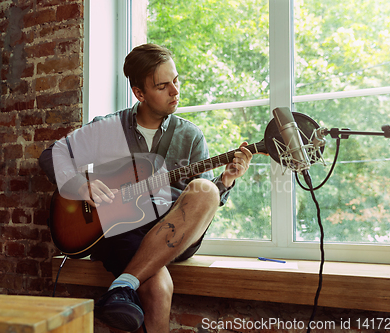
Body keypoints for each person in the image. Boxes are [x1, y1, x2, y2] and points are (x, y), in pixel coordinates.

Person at [39, 44, 253, 332]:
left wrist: (225, 181)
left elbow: (198, 205)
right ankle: (124, 287)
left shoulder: (190, 136)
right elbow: (51, 154)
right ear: (140, 93)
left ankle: (121, 285)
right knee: (159, 289)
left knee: (207, 189)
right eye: (163, 86)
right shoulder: (106, 128)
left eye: (176, 80)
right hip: (120, 231)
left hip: (172, 232)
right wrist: (80, 185)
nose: (175, 91)